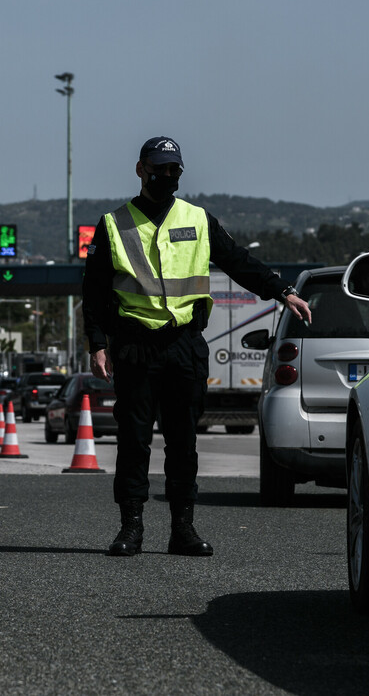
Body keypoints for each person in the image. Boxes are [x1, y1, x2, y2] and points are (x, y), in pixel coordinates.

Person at [82, 136, 312, 557]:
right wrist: (98, 344)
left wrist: (282, 291)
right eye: (159, 168)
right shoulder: (114, 223)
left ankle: (182, 529)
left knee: (183, 441)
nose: (167, 176)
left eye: (174, 170)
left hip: (185, 345)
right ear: (140, 169)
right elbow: (94, 292)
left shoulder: (197, 218)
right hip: (135, 345)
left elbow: (238, 260)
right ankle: (130, 527)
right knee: (134, 441)